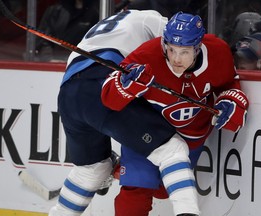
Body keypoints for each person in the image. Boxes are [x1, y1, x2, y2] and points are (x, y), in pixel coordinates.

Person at [101, 11, 249, 216]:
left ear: (198, 48)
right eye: (171, 50)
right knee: (137, 188)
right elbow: (108, 98)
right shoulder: (147, 54)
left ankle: (119, 167)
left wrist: (231, 101)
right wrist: (124, 85)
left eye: (184, 52)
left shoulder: (218, 52)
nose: (176, 59)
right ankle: (130, 172)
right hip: (147, 129)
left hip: (192, 131)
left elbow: (229, 84)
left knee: (163, 190)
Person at [48, 9, 172, 216]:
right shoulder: (151, 18)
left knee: (91, 169)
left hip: (69, 92)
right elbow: (178, 54)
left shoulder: (103, 25)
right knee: (169, 148)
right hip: (103, 80)